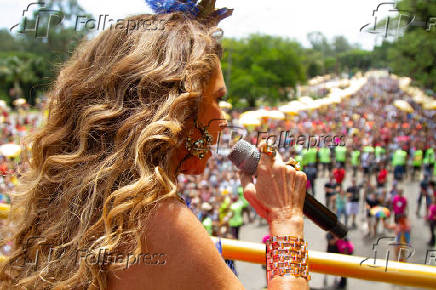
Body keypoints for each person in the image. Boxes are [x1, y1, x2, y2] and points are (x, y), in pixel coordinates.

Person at [0, 4, 310, 289]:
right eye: (217, 99)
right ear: (177, 109)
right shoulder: (157, 220)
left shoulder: (79, 197)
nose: (224, 120)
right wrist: (286, 219)